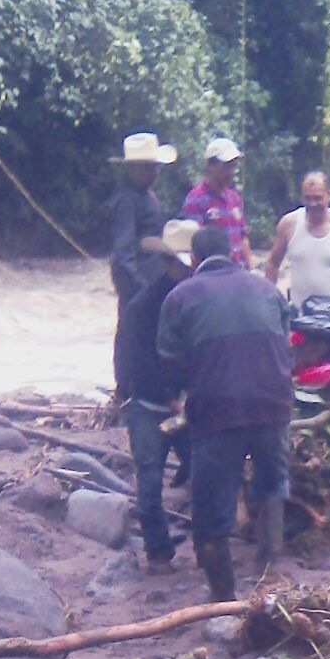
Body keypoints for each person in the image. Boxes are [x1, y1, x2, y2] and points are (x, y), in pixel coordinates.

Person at [157, 225, 294, 600]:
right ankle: (270, 570)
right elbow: (286, 345)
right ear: (234, 254)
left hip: (217, 413)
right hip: (274, 406)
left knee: (210, 505)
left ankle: (222, 595)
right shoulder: (267, 289)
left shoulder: (180, 297)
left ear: (194, 259)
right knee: (272, 484)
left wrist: (179, 399)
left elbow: (170, 362)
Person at [116, 220, 197, 573]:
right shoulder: (143, 306)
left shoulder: (197, 300)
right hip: (152, 406)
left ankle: (207, 546)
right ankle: (159, 554)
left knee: (204, 478)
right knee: (149, 485)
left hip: (186, 404)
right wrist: (174, 400)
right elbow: (137, 365)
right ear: (167, 263)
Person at [108, 132, 177, 387]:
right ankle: (127, 389)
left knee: (146, 340)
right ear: (133, 169)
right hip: (138, 285)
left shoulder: (148, 197)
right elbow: (123, 253)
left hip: (152, 281)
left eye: (155, 167)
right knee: (132, 337)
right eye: (148, 167)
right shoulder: (128, 201)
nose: (154, 173)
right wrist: (139, 291)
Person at [264, 171, 330, 308]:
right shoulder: (289, 224)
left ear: (329, 195)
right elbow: (272, 264)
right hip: (299, 312)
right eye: (307, 198)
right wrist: (270, 300)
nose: (313, 204)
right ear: (301, 197)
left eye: (318, 198)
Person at [180, 137, 255, 270]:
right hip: (214, 272)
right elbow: (194, 243)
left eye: (233, 166)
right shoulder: (196, 199)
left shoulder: (234, 198)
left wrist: (251, 267)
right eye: (226, 166)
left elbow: (243, 236)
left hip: (238, 270)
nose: (230, 172)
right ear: (210, 165)